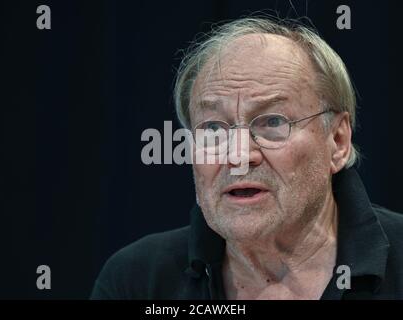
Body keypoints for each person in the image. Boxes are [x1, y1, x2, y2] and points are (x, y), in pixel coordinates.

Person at [91, 17, 403, 300]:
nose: (238, 155)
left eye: (273, 122)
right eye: (213, 127)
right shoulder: (137, 281)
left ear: (337, 141)